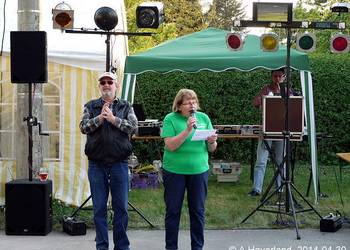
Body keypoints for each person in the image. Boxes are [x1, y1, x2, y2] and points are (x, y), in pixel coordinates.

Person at [79, 72, 137, 250]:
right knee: (99, 209)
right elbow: (83, 127)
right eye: (103, 82)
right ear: (99, 86)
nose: (106, 85)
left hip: (119, 163)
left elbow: (134, 128)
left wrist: (113, 119)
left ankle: (122, 246)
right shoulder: (91, 106)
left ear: (116, 85)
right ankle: (101, 246)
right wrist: (100, 118)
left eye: (109, 82)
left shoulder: (126, 106)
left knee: (121, 208)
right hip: (97, 164)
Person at [161, 88, 218, 250]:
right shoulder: (170, 119)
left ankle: (197, 247)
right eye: (188, 102)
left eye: (194, 102)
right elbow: (170, 146)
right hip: (175, 172)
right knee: (173, 211)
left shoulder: (204, 117)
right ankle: (171, 247)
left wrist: (212, 141)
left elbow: (212, 148)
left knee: (198, 211)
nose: (192, 105)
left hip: (199, 171)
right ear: (179, 106)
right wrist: (187, 130)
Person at [249, 69, 287, 197]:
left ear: (284, 77)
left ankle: (280, 188)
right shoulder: (266, 89)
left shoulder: (287, 91)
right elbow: (255, 102)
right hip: (266, 130)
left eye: (279, 76)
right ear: (271, 77)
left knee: (280, 160)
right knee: (261, 160)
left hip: (282, 131)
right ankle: (256, 189)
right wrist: (263, 99)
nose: (277, 79)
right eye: (275, 76)